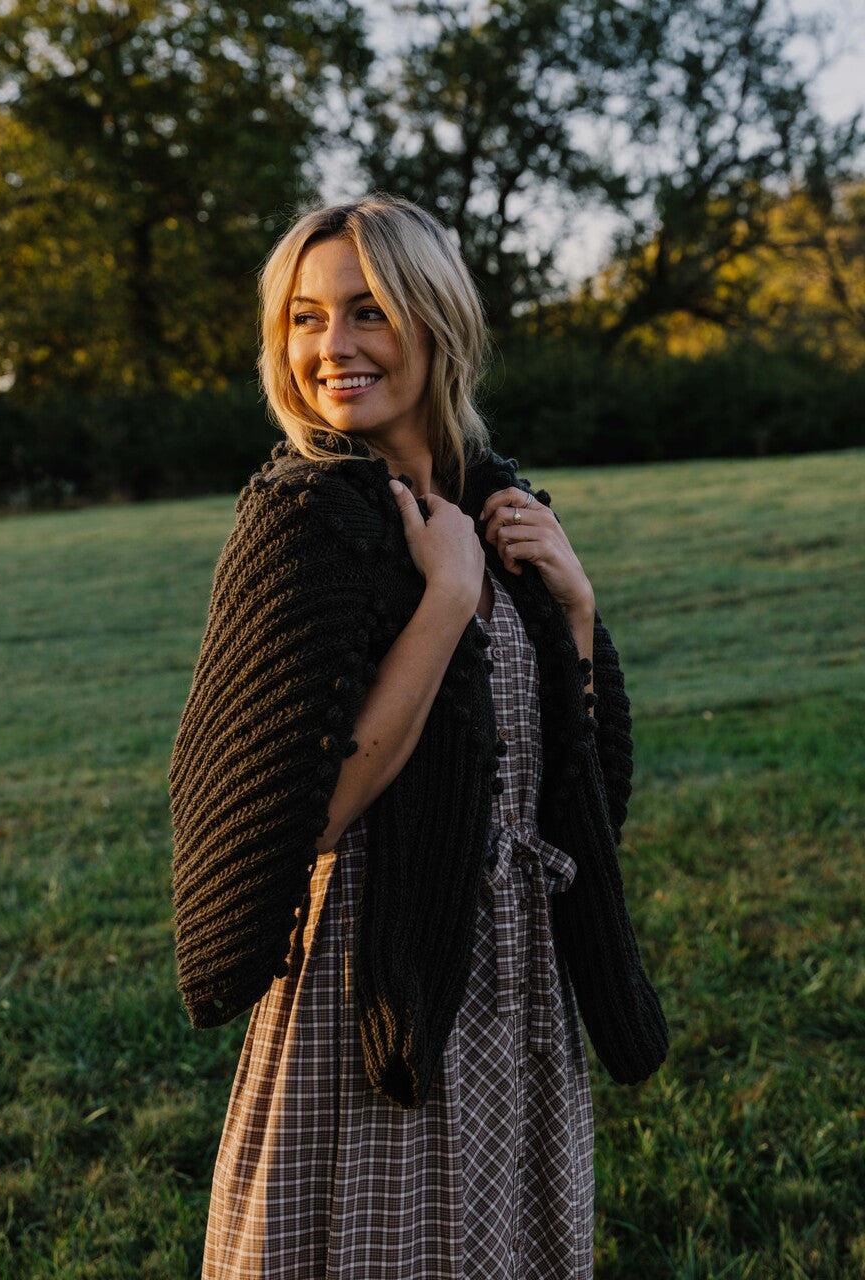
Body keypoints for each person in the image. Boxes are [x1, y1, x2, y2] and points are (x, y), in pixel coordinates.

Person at [168, 193, 667, 1279]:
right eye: (304, 318)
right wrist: (446, 601)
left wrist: (575, 608)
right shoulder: (304, 520)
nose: (331, 347)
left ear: (437, 322)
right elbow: (307, 806)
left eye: (367, 311)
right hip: (372, 983)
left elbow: (577, 798)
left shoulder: (499, 504)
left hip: (517, 986)